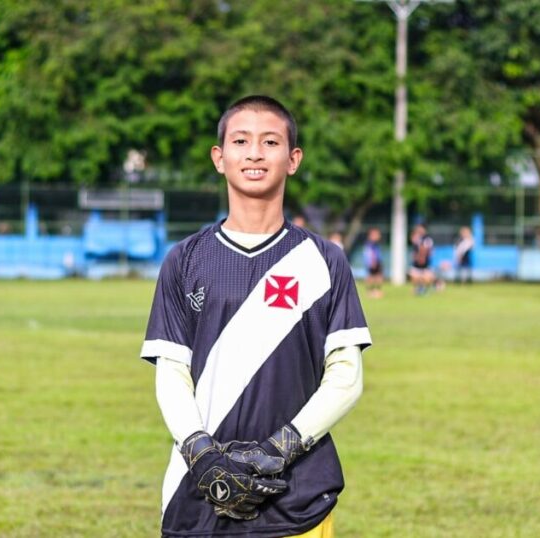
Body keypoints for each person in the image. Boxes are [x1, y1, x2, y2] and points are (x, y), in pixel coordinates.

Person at [141, 95, 371, 537]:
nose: (254, 153)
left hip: (299, 496)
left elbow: (346, 377)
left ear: (293, 159)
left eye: (270, 142)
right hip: (198, 492)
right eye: (241, 141)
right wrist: (201, 455)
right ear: (219, 157)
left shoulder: (324, 260)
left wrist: (278, 449)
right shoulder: (185, 259)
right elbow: (171, 373)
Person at [407, 224, 435, 295]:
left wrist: (421, 257)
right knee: (415, 276)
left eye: (420, 228)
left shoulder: (427, 239)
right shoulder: (418, 237)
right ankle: (420, 288)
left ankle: (425, 288)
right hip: (418, 260)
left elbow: (424, 249)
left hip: (423, 260)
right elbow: (413, 242)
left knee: (426, 277)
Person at [363, 227, 384, 298]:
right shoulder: (370, 244)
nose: (378, 236)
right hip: (373, 262)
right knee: (373, 276)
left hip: (376, 261)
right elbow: (370, 253)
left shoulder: (375, 243)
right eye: (376, 235)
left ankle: (375, 290)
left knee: (377, 276)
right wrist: (373, 262)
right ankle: (371, 291)